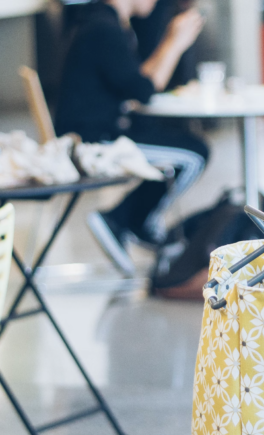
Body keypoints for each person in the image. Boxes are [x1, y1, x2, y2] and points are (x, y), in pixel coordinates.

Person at [55, 0, 208, 271]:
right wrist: (175, 42)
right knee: (194, 155)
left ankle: (136, 221)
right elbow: (143, 90)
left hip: (99, 130)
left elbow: (135, 81)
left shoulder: (106, 22)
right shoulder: (104, 28)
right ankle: (121, 219)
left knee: (183, 145)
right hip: (93, 142)